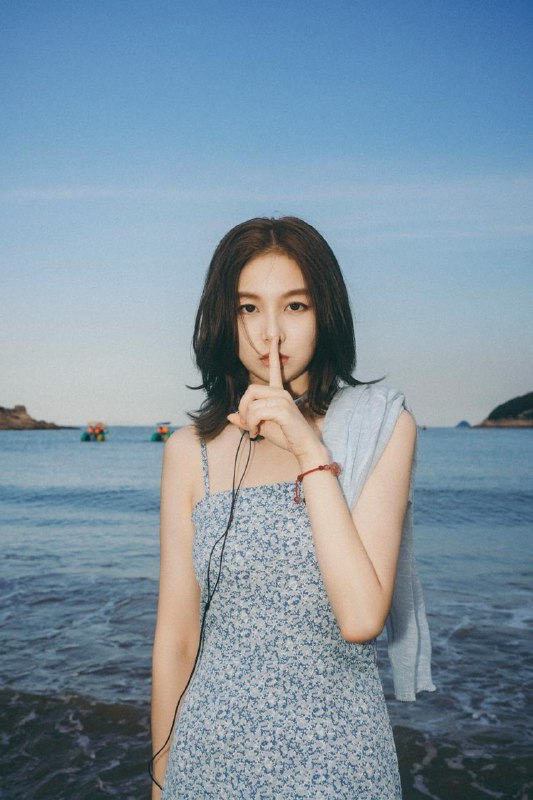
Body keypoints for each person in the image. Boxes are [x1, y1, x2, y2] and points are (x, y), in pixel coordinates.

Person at [150, 216, 434, 799]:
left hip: (337, 764)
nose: (270, 334)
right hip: (207, 763)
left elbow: (361, 618)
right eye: (248, 308)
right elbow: (177, 640)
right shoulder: (189, 452)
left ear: (326, 313)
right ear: (223, 318)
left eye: (295, 306)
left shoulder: (381, 427)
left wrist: (309, 452)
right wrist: (161, 783)